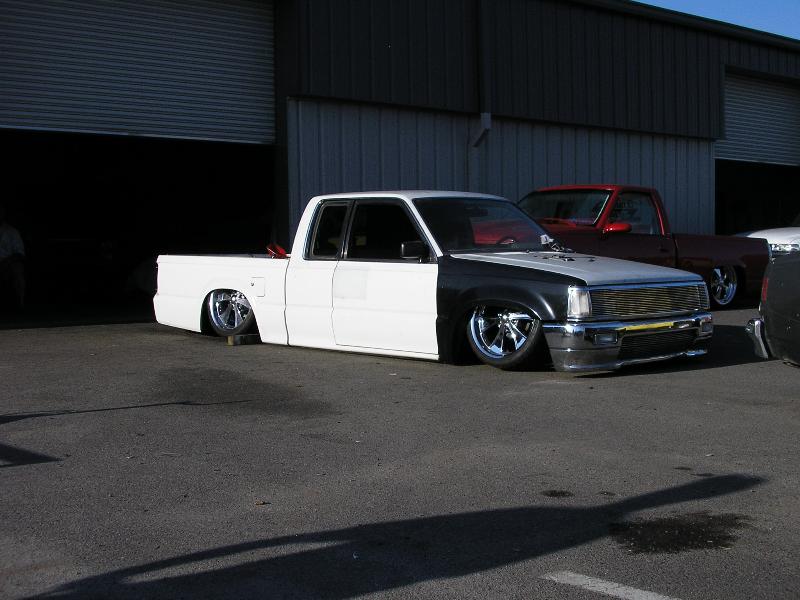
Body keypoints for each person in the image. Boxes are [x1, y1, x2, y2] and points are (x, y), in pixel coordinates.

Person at [0, 202, 26, 309]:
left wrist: (7, 261)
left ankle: (20, 304)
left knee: (17, 269)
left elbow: (20, 253)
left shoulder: (12, 231)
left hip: (7, 264)